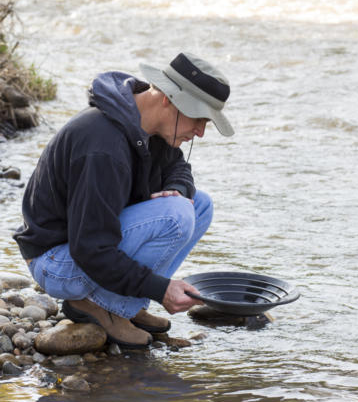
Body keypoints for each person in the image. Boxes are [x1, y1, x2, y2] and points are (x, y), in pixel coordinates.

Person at [14, 52, 234, 348]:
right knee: (176, 215)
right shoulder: (103, 146)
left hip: (81, 249)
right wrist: (161, 289)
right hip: (55, 261)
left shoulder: (148, 124)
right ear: (169, 99)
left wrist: (178, 189)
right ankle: (104, 307)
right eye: (199, 119)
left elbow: (177, 166)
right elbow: (90, 248)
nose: (201, 133)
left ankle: (123, 304)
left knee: (198, 204)